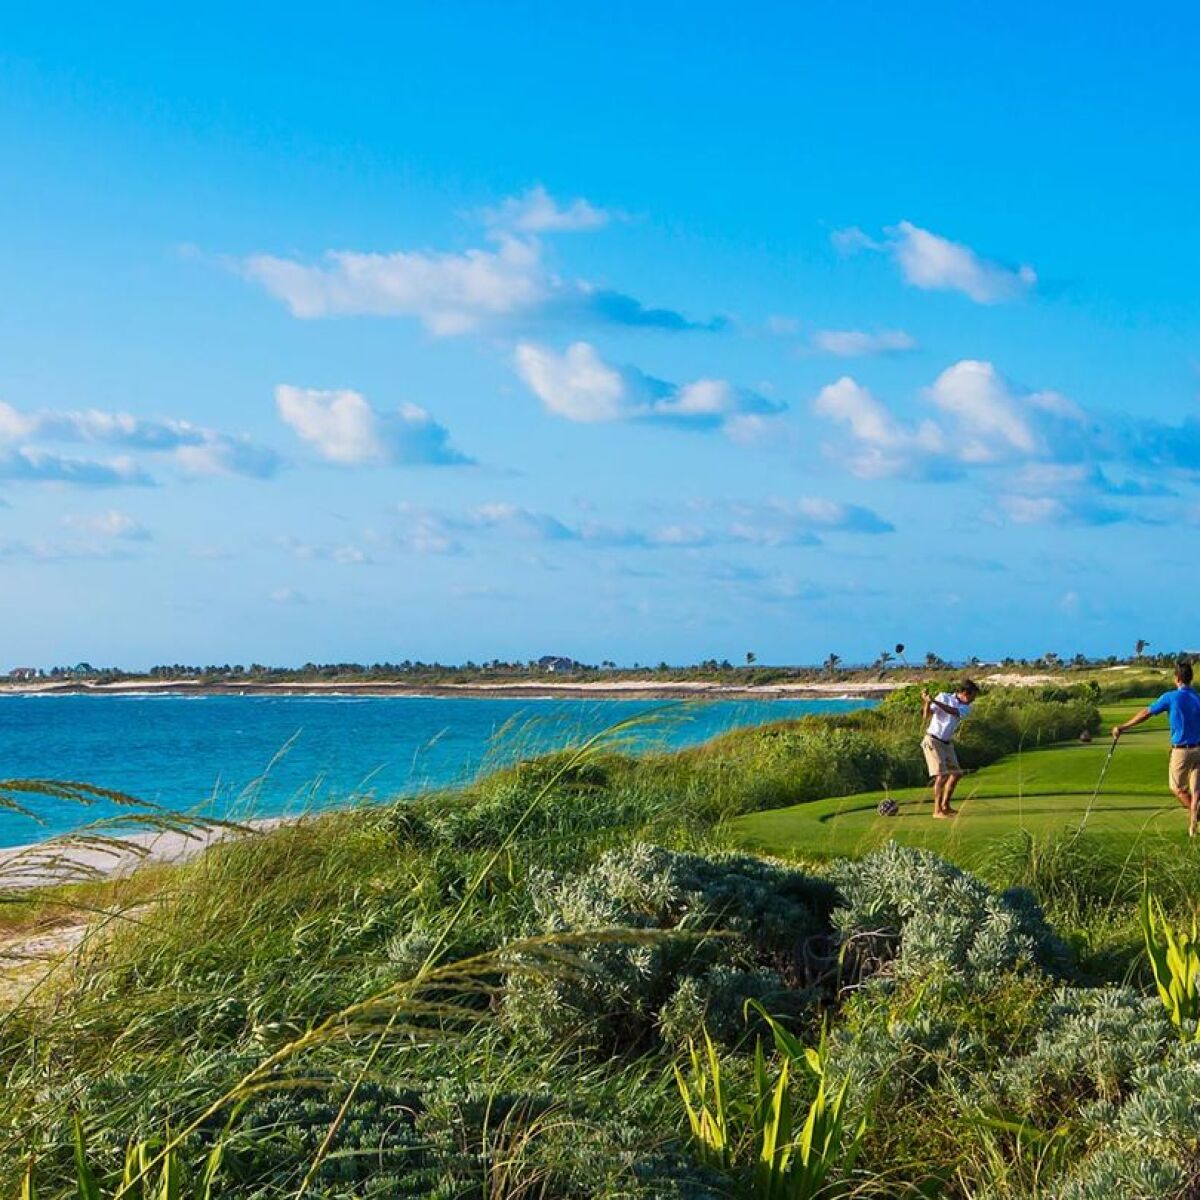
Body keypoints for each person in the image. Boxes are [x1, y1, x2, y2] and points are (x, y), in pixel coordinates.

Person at [1112, 661, 1200, 837]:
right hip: (1199, 748)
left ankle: (1196, 818)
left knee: (1177, 788)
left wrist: (1123, 727)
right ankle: (1192, 829)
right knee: (1196, 790)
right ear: (1190, 678)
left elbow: (1146, 713)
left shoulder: (1170, 697)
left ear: (1177, 678)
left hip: (1181, 750)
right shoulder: (1197, 697)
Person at [921, 680, 979, 818]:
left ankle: (945, 806)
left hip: (947, 743)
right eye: (973, 696)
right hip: (933, 740)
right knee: (942, 775)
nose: (973, 700)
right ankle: (937, 811)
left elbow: (953, 711)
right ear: (965, 693)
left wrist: (934, 701)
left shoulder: (966, 708)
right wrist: (928, 701)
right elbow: (926, 716)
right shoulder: (943, 696)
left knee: (956, 773)